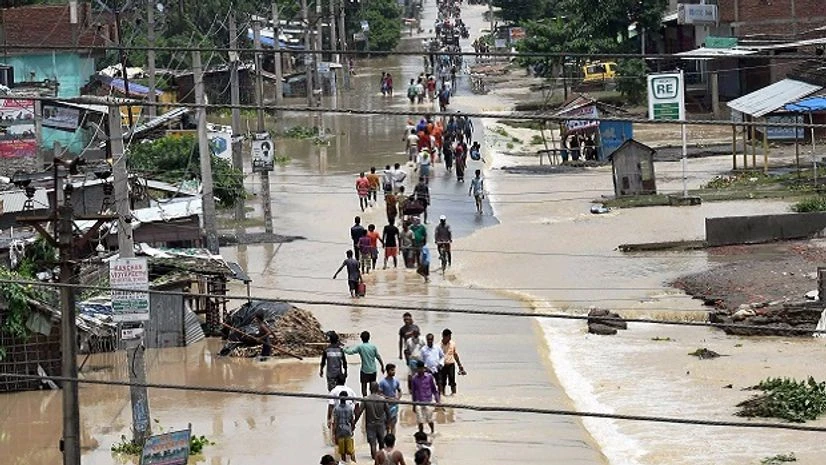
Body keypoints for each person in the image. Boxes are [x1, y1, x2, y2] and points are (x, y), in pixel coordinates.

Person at [344, 331, 385, 396]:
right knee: (372, 388)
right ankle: (372, 400)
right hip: (373, 370)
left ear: (361, 338)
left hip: (364, 371)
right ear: (369, 338)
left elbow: (351, 352)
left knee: (364, 387)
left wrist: (344, 349)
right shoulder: (373, 347)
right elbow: (378, 357)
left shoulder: (360, 347)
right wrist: (382, 366)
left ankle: (364, 400)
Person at [361, 382, 390, 459]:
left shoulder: (366, 399)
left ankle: (374, 460)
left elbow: (359, 412)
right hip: (381, 424)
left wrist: (353, 423)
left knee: (372, 444)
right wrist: (388, 424)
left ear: (370, 389)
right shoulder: (382, 399)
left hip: (370, 425)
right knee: (381, 443)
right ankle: (382, 460)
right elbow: (388, 413)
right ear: (378, 389)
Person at [410, 360, 440, 434]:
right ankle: (421, 433)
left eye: (422, 368)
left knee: (430, 419)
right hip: (418, 402)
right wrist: (413, 405)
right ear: (417, 369)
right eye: (419, 368)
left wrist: (438, 401)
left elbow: (434, 390)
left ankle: (432, 432)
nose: (420, 370)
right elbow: (413, 392)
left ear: (424, 368)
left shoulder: (429, 377)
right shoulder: (414, 379)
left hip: (428, 400)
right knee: (420, 420)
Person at [332, 391, 357, 463]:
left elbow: (335, 422)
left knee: (342, 453)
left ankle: (344, 463)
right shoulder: (350, 408)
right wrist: (352, 429)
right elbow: (352, 420)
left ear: (339, 398)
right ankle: (355, 463)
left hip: (340, 432)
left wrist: (334, 434)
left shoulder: (336, 409)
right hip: (348, 431)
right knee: (351, 451)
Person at [378, 364, 402, 435]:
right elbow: (379, 394)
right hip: (386, 406)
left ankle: (393, 440)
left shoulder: (396, 381)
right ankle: (386, 439)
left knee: (393, 425)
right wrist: (388, 398)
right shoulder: (382, 382)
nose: (394, 372)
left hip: (394, 406)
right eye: (392, 370)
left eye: (394, 370)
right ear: (387, 371)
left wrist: (398, 398)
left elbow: (399, 391)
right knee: (386, 425)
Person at [439, 329, 464, 395]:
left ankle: (454, 396)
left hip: (451, 365)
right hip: (442, 366)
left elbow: (455, 354)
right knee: (442, 382)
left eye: (450, 336)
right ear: (444, 336)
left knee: (452, 382)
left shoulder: (452, 344)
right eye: (448, 337)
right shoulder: (438, 345)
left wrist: (460, 365)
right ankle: (442, 396)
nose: (450, 338)